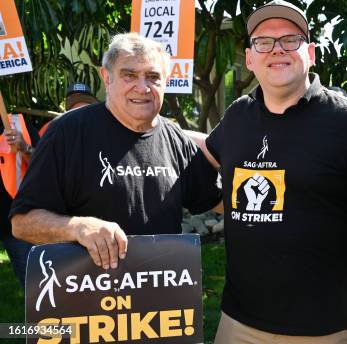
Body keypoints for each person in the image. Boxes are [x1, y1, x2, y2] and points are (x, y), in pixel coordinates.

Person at [199, 0, 347, 343]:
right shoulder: (238, 116)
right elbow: (205, 152)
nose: (277, 50)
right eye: (264, 42)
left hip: (325, 328)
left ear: (310, 53)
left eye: (290, 40)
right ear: (250, 58)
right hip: (238, 323)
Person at [10, 33, 221, 271]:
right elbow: (22, 223)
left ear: (166, 81)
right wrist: (78, 227)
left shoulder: (176, 140)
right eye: (129, 75)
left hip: (161, 296)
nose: (142, 88)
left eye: (153, 77)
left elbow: (220, 201)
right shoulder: (68, 133)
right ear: (106, 77)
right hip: (86, 298)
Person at [0, 113, 39, 287]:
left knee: (35, 287)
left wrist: (24, 147)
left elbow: (44, 166)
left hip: (17, 221)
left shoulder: (17, 123)